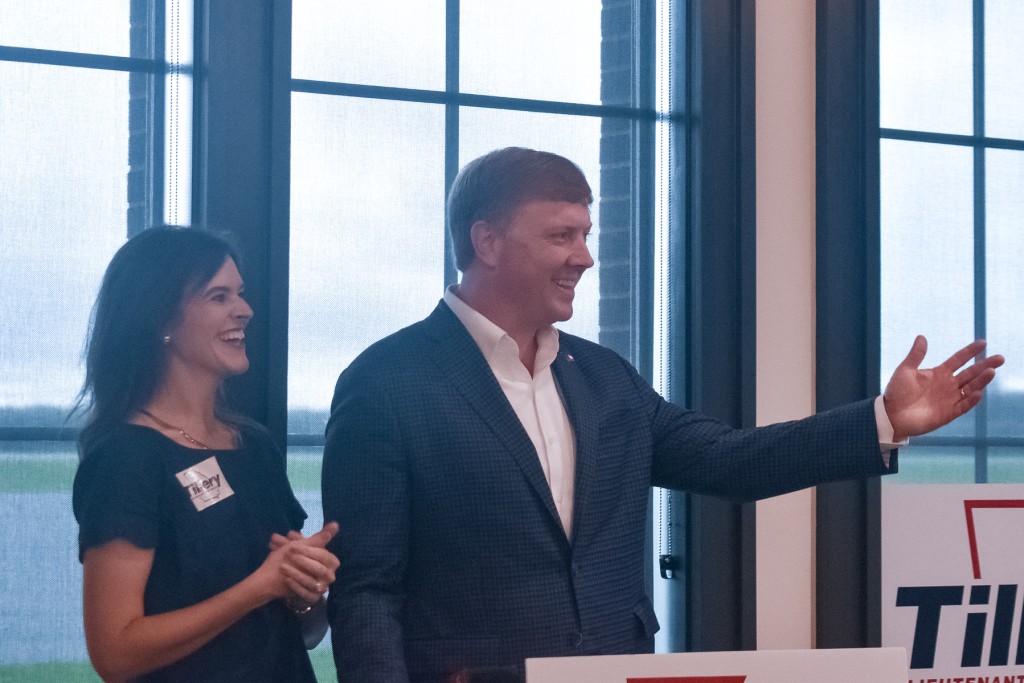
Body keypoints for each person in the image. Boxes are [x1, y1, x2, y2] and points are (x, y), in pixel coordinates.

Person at [321, 147, 1004, 682]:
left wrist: (883, 420)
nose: (585, 257)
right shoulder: (385, 385)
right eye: (562, 234)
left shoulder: (605, 378)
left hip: (618, 670)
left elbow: (730, 459)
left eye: (586, 234)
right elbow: (366, 593)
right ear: (488, 241)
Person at [73, 226, 340, 682]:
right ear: (159, 319)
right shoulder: (125, 459)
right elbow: (115, 653)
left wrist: (304, 590)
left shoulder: (254, 447)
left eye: (240, 293)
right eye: (219, 297)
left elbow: (305, 630)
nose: (245, 310)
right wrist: (258, 588)